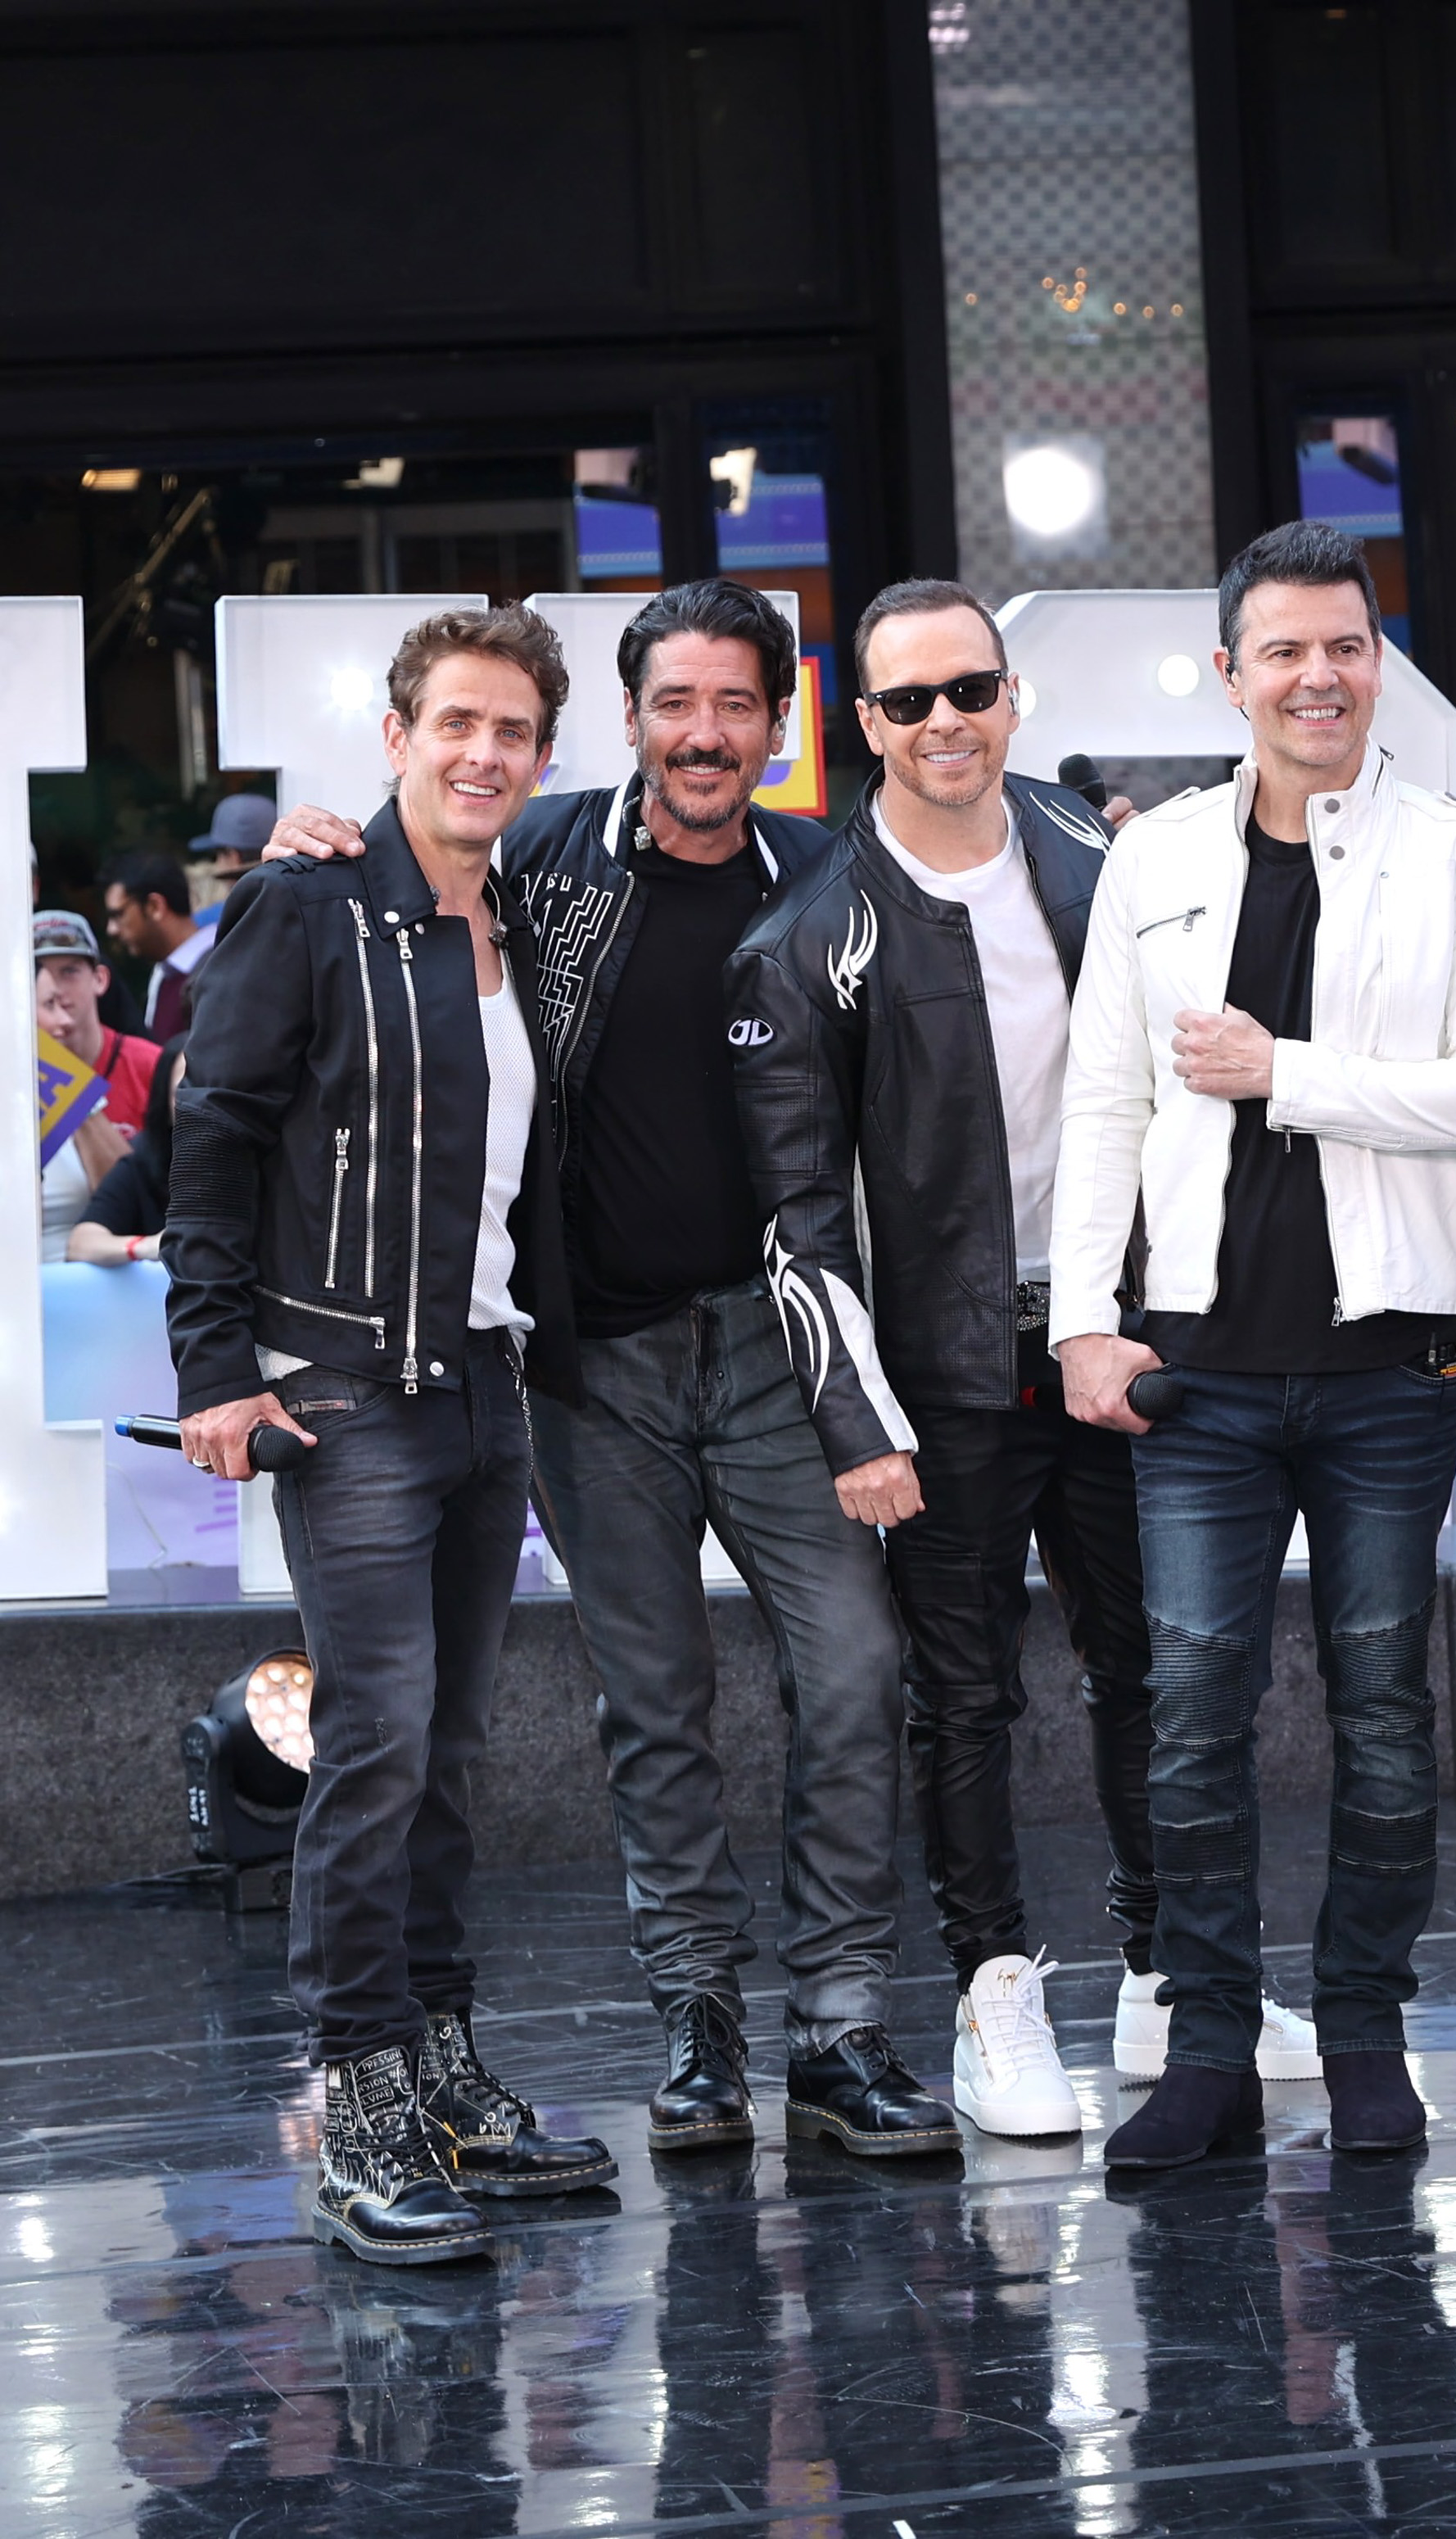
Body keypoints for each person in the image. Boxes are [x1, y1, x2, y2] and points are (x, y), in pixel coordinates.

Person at [263, 582, 948, 2160]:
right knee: (653, 1704)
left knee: (857, 1668)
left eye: (736, 705)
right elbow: (401, 870)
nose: (705, 734)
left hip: (784, 1356)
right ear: (628, 720)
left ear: (779, 725)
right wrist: (315, 846)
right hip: (593, 1367)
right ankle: (698, 2025)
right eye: (674, 703)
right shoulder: (540, 856)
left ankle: (841, 2028)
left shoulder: (836, 878)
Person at [730, 577, 1319, 2144]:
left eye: (971, 690)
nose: (946, 722)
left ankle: (1167, 1975)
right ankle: (996, 1994)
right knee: (964, 1697)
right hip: (942, 1374)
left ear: (1012, 697)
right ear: (864, 722)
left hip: (1113, 1336)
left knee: (1160, 1669)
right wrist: (858, 1418)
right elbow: (797, 1216)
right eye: (909, 699)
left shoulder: (1089, 848)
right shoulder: (809, 935)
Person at [1048, 520, 1456, 2170]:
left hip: (1392, 1365)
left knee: (1384, 1703)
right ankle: (1207, 2047)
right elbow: (1103, 1104)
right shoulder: (1155, 859)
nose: (1317, 677)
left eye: (1344, 647)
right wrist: (1085, 1322)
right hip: (1191, 1367)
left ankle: (1363, 2033)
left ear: (1376, 665)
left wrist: (1290, 1073)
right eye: (1284, 650)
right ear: (1230, 673)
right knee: (1193, 1707)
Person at [165, 604, 617, 2265]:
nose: (484, 754)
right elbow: (215, 1135)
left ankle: (441, 2067)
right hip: (345, 1389)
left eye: (514, 732)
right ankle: (360, 2097)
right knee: (375, 1747)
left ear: (545, 757)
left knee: (449, 1751)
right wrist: (217, 1370)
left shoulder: (530, 910)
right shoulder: (307, 903)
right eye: (457, 724)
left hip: (489, 1381)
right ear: (398, 734)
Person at [34, 908, 160, 1260]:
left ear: (100, 979)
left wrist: (70, 1088)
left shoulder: (151, 1066)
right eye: (42, 978)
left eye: (69, 971)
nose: (59, 989)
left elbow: (137, 1203)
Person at [69, 1033, 184, 1263]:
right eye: (185, 1091)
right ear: (165, 1099)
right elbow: (81, 1243)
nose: (203, 1102)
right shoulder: (141, 1163)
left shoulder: (257, 1159)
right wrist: (146, 1246)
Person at [104, 849, 210, 1039]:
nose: (111, 929)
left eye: (119, 914)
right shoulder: (165, 973)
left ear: (155, 906)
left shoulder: (219, 966)